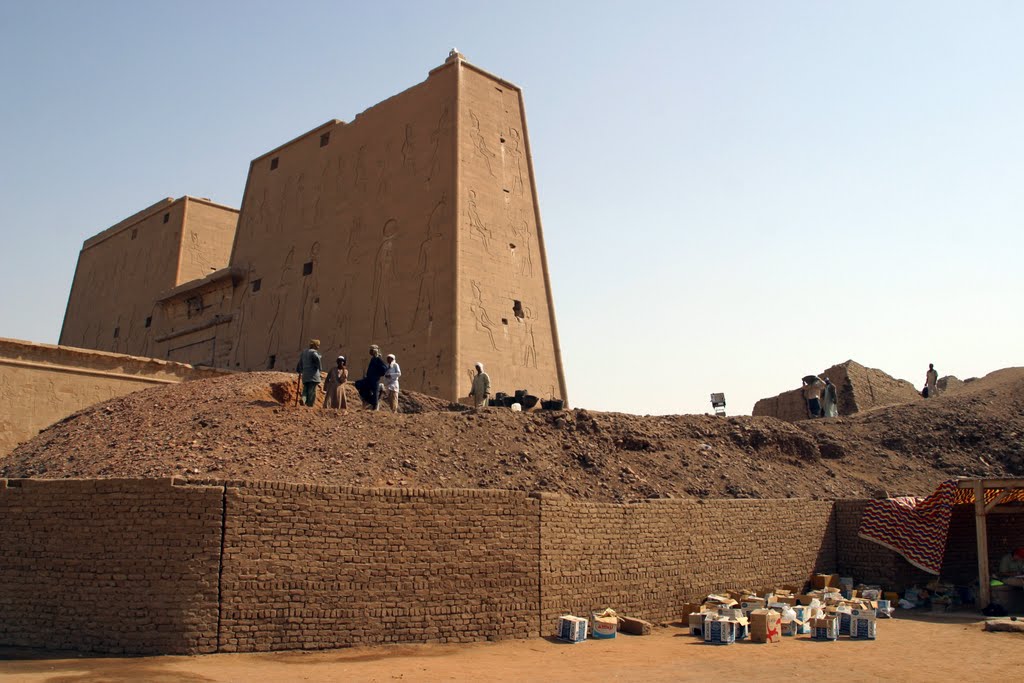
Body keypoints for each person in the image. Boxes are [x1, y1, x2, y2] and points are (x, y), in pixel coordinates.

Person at [355, 345, 388, 410]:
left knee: (375, 392)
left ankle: (375, 406)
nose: (369, 351)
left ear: (374, 351)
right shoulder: (373, 359)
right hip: (369, 379)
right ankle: (369, 401)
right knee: (359, 385)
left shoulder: (378, 359)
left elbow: (384, 368)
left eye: (371, 350)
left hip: (375, 380)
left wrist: (377, 374)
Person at [295, 339, 323, 407]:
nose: (318, 347)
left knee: (305, 388)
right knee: (312, 390)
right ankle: (309, 405)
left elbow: (300, 362)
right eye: (318, 345)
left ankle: (303, 399)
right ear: (315, 345)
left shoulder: (304, 352)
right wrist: (320, 368)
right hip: (313, 375)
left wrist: (299, 369)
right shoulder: (314, 353)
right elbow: (317, 359)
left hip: (305, 374)